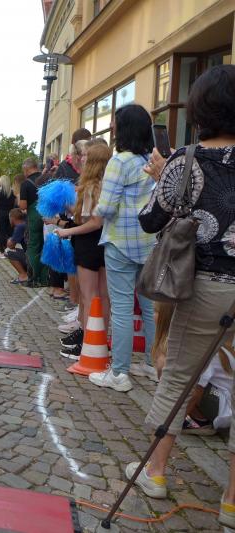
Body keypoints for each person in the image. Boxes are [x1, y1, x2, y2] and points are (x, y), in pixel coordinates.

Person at [128, 66, 235, 527]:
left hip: (205, 284)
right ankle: (231, 501)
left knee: (177, 378)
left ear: (200, 109)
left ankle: (155, 473)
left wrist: (162, 177)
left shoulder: (187, 160)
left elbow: (151, 220)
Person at [77, 104, 158, 392]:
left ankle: (119, 373)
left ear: (123, 129)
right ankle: (152, 363)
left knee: (122, 308)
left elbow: (107, 207)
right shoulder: (153, 159)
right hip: (148, 242)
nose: (112, 127)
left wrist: (95, 209)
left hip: (121, 242)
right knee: (148, 308)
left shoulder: (119, 162)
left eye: (114, 124)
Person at [55, 142, 112, 360]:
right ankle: (99, 342)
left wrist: (66, 231)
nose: (82, 159)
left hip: (88, 244)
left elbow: (92, 222)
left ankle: (88, 345)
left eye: (86, 155)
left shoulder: (90, 187)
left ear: (94, 161)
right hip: (105, 243)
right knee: (103, 298)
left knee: (89, 298)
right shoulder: (107, 185)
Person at [18, 158, 46, 287]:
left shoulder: (26, 183)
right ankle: (46, 279)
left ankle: (34, 278)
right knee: (46, 246)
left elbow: (23, 206)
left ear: (26, 169)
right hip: (48, 217)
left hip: (34, 219)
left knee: (33, 247)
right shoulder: (46, 178)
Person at [0, 175, 17, 259]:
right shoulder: (12, 192)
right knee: (10, 232)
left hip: (0, 215)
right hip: (10, 214)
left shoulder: (0, 193)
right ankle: (11, 250)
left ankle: (2, 252)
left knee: (1, 233)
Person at [5, 208, 28, 284]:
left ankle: (23, 275)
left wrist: (9, 240)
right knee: (18, 250)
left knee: (9, 252)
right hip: (35, 254)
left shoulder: (19, 227)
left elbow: (10, 245)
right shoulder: (25, 223)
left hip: (30, 257)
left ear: (12, 218)